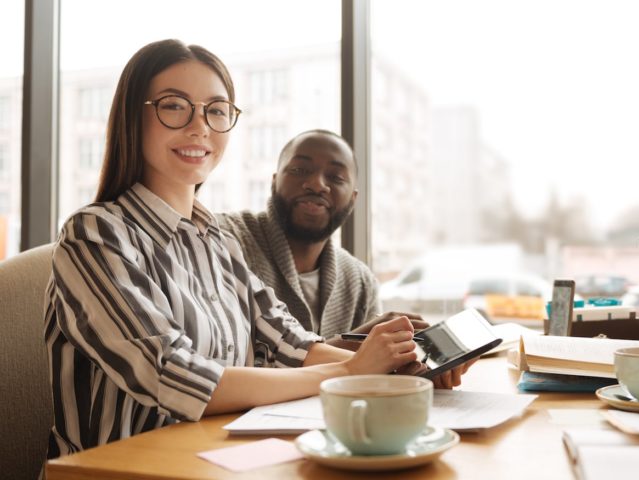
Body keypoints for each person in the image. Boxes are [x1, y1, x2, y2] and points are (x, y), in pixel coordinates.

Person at [43, 39, 432, 459]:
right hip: (121, 470)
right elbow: (173, 376)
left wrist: (397, 366)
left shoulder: (217, 241)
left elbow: (290, 344)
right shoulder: (95, 234)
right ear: (132, 117)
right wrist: (348, 371)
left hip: (215, 459)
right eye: (175, 106)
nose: (200, 127)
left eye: (216, 110)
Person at [218, 130, 428, 348]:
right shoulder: (224, 239)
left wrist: (411, 367)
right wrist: (357, 343)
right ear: (274, 181)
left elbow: (367, 378)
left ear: (353, 198)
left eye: (336, 177)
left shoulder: (360, 281)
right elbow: (232, 363)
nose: (317, 185)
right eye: (300, 170)